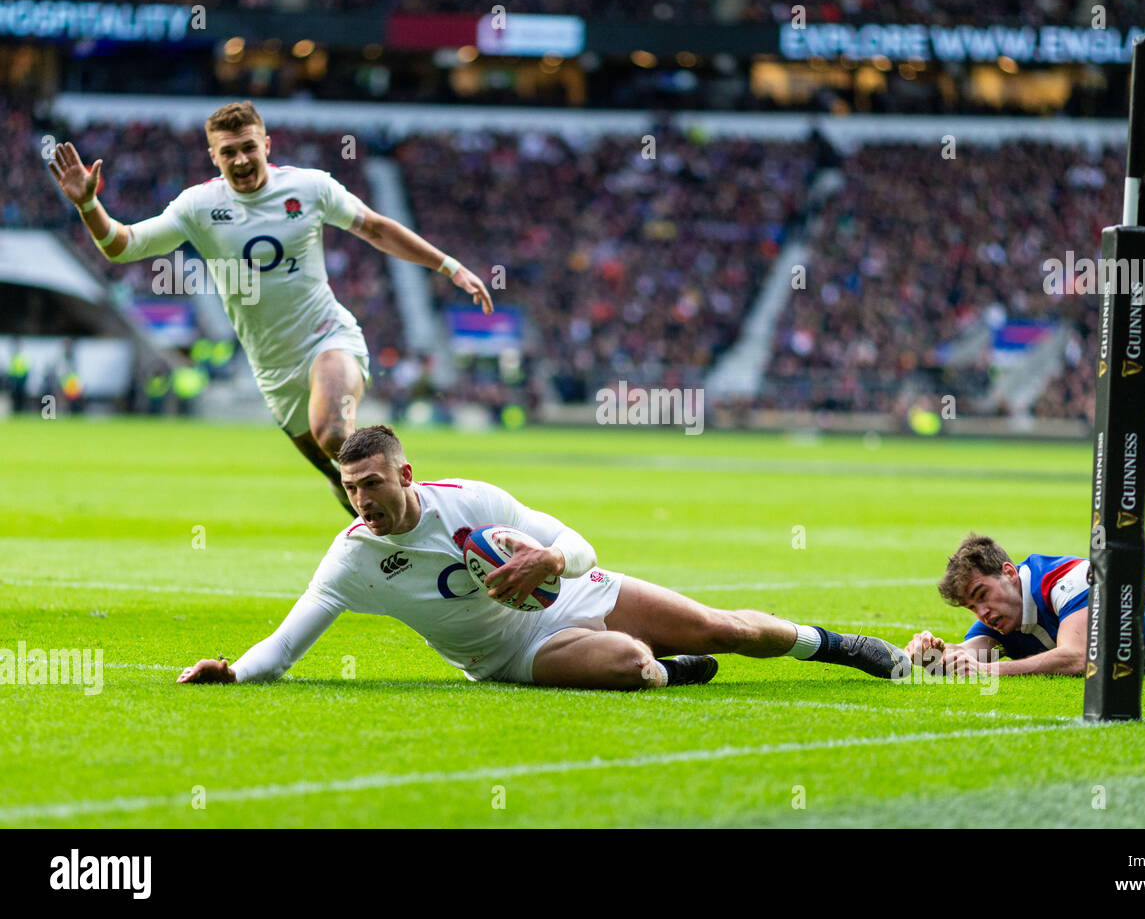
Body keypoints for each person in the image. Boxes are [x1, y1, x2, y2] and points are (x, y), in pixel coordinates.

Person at [178, 425, 911, 690]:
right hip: (512, 657)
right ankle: (668, 669)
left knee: (727, 629)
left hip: (575, 593)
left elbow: (582, 544)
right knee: (633, 664)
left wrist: (550, 564)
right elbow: (285, 646)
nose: (360, 500)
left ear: (404, 475)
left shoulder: (469, 497)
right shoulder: (352, 560)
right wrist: (235, 670)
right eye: (349, 488)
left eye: (371, 484)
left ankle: (836, 643)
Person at [47, 101, 493, 515]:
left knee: (335, 434)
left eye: (248, 148)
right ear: (213, 156)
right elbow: (121, 246)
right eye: (229, 152)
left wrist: (448, 266)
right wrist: (88, 204)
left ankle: (435, 517)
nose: (241, 160)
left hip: (328, 337)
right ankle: (393, 547)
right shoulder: (199, 206)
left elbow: (375, 228)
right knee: (342, 480)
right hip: (272, 368)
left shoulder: (309, 187)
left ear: (266, 145)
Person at [905, 510, 1145, 677]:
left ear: (1009, 573)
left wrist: (989, 671)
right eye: (972, 607)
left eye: (981, 595)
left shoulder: (1065, 579)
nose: (982, 613)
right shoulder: (1002, 618)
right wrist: (935, 654)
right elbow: (972, 654)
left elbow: (1080, 657)